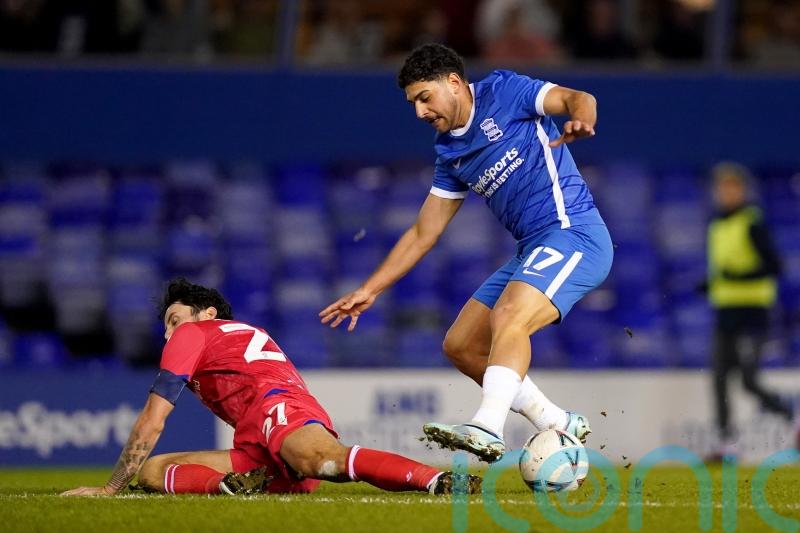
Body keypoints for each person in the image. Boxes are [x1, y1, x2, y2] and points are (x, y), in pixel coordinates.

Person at [320, 44, 613, 462]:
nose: (420, 112)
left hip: (574, 234)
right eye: (413, 103)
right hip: (534, 247)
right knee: (461, 345)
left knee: (508, 316)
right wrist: (372, 289)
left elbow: (577, 98)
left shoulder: (506, 92)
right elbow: (424, 232)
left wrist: (583, 118)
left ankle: (488, 428)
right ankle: (557, 423)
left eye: (425, 98)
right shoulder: (450, 153)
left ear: (454, 83)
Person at [62, 278, 480, 496]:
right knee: (154, 472)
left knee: (322, 460)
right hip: (260, 438)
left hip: (276, 409)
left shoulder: (195, 334)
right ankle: (229, 488)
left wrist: (109, 487)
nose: (170, 335)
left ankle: (437, 479)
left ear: (206, 314)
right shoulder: (238, 334)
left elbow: (154, 418)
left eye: (174, 320)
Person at [705, 163, 796, 457]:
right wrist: (710, 284)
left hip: (753, 312)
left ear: (742, 190)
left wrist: (738, 278)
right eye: (722, 188)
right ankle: (726, 444)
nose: (726, 193)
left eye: (732, 187)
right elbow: (724, 269)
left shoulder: (752, 222)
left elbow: (775, 265)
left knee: (748, 379)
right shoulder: (717, 224)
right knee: (719, 378)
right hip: (725, 311)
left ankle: (791, 416)